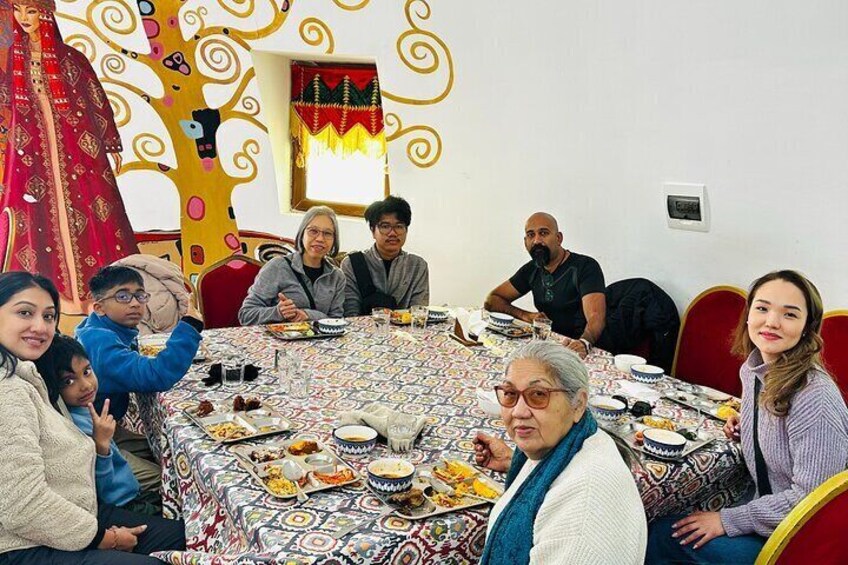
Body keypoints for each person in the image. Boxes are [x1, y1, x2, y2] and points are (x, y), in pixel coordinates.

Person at [646, 270, 848, 564]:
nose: (772, 322)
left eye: (790, 314)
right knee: (675, 509)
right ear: (748, 315)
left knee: (663, 532)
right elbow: (782, 432)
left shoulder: (814, 395)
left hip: (796, 541)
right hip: (766, 512)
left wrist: (728, 520)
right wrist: (752, 425)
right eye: (762, 308)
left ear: (808, 327)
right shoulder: (756, 369)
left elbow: (812, 501)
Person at [0, 271, 185, 564]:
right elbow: (23, 507)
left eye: (49, 316)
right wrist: (105, 538)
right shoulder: (7, 391)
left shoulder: (29, 371)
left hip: (78, 512)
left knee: (190, 535)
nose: (40, 327)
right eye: (24, 312)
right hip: (24, 545)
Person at [0, 0, 139, 315]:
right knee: (34, 215)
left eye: (31, 11)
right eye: (18, 10)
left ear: (46, 14)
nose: (24, 18)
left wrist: (108, 142)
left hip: (76, 147)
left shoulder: (72, 60)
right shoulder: (11, 61)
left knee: (91, 213)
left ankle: (92, 298)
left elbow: (95, 100)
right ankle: (54, 300)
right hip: (30, 150)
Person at [473, 341, 646, 564]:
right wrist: (513, 462)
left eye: (538, 394)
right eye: (509, 393)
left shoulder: (584, 508)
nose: (518, 411)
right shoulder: (573, 442)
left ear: (578, 404)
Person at [75, 265, 203, 490]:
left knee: (170, 450)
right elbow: (156, 375)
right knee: (170, 481)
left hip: (104, 426)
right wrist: (190, 326)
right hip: (87, 438)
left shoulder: (98, 327)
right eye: (122, 296)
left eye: (140, 295)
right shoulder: (100, 343)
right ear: (99, 307)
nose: (135, 303)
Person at [36, 335, 163, 516]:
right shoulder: (75, 426)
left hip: (129, 488)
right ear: (51, 387)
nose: (86, 385)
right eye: (68, 381)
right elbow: (102, 491)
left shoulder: (81, 409)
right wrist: (101, 445)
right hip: (124, 503)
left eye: (87, 372)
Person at [484, 212, 605, 359]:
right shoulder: (531, 270)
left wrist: (584, 343)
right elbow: (493, 300)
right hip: (550, 348)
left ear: (558, 238)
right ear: (525, 242)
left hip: (584, 349)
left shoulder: (585, 266)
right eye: (531, 235)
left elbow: (596, 316)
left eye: (543, 233)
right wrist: (526, 315)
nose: (536, 241)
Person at [239, 206, 346, 325]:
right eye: (313, 231)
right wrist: (277, 312)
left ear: (334, 240)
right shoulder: (277, 267)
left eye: (327, 233)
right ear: (302, 233)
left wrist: (308, 315)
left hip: (321, 337)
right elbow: (246, 315)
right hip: (279, 336)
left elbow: (336, 321)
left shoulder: (337, 276)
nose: (320, 239)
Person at [340, 195, 429, 316]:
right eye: (385, 226)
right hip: (360, 327)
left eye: (399, 226)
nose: (393, 233)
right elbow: (351, 314)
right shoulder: (351, 263)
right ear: (373, 231)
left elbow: (418, 313)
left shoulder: (417, 266)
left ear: (406, 230)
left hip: (406, 327)